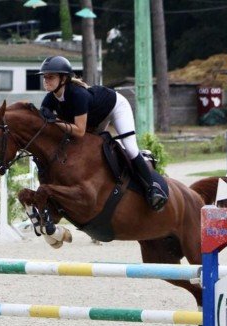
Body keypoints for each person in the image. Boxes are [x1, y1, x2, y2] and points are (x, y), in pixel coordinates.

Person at [38, 56, 168, 211]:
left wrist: (56, 120)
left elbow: (79, 131)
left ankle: (152, 188)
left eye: (50, 77)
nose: (46, 80)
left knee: (131, 147)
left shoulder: (77, 95)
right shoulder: (50, 98)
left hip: (116, 107)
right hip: (95, 117)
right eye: (45, 77)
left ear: (63, 78)